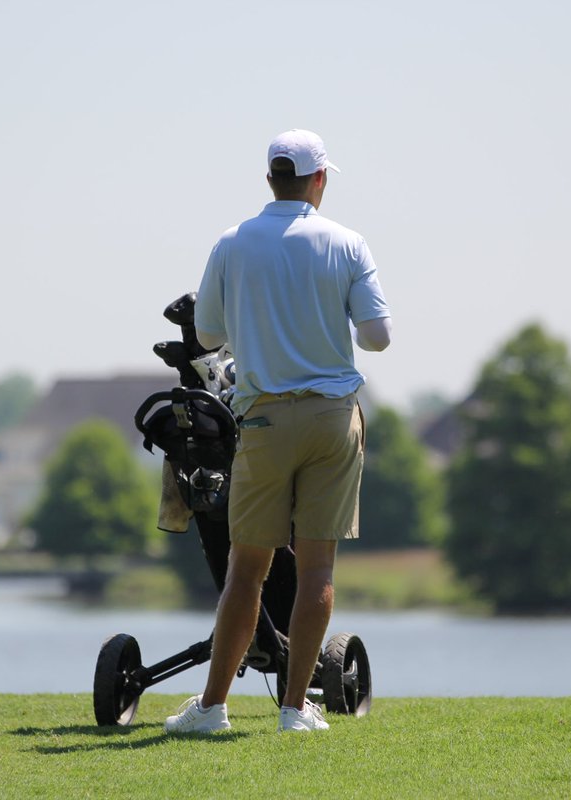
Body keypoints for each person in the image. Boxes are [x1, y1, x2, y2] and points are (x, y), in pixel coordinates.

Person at [164, 129, 392, 734]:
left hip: (262, 416)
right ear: (319, 181)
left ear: (271, 178)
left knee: (247, 569)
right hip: (332, 418)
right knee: (317, 569)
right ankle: (295, 710)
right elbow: (377, 337)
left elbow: (208, 336)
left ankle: (212, 709)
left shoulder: (232, 243)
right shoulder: (349, 244)